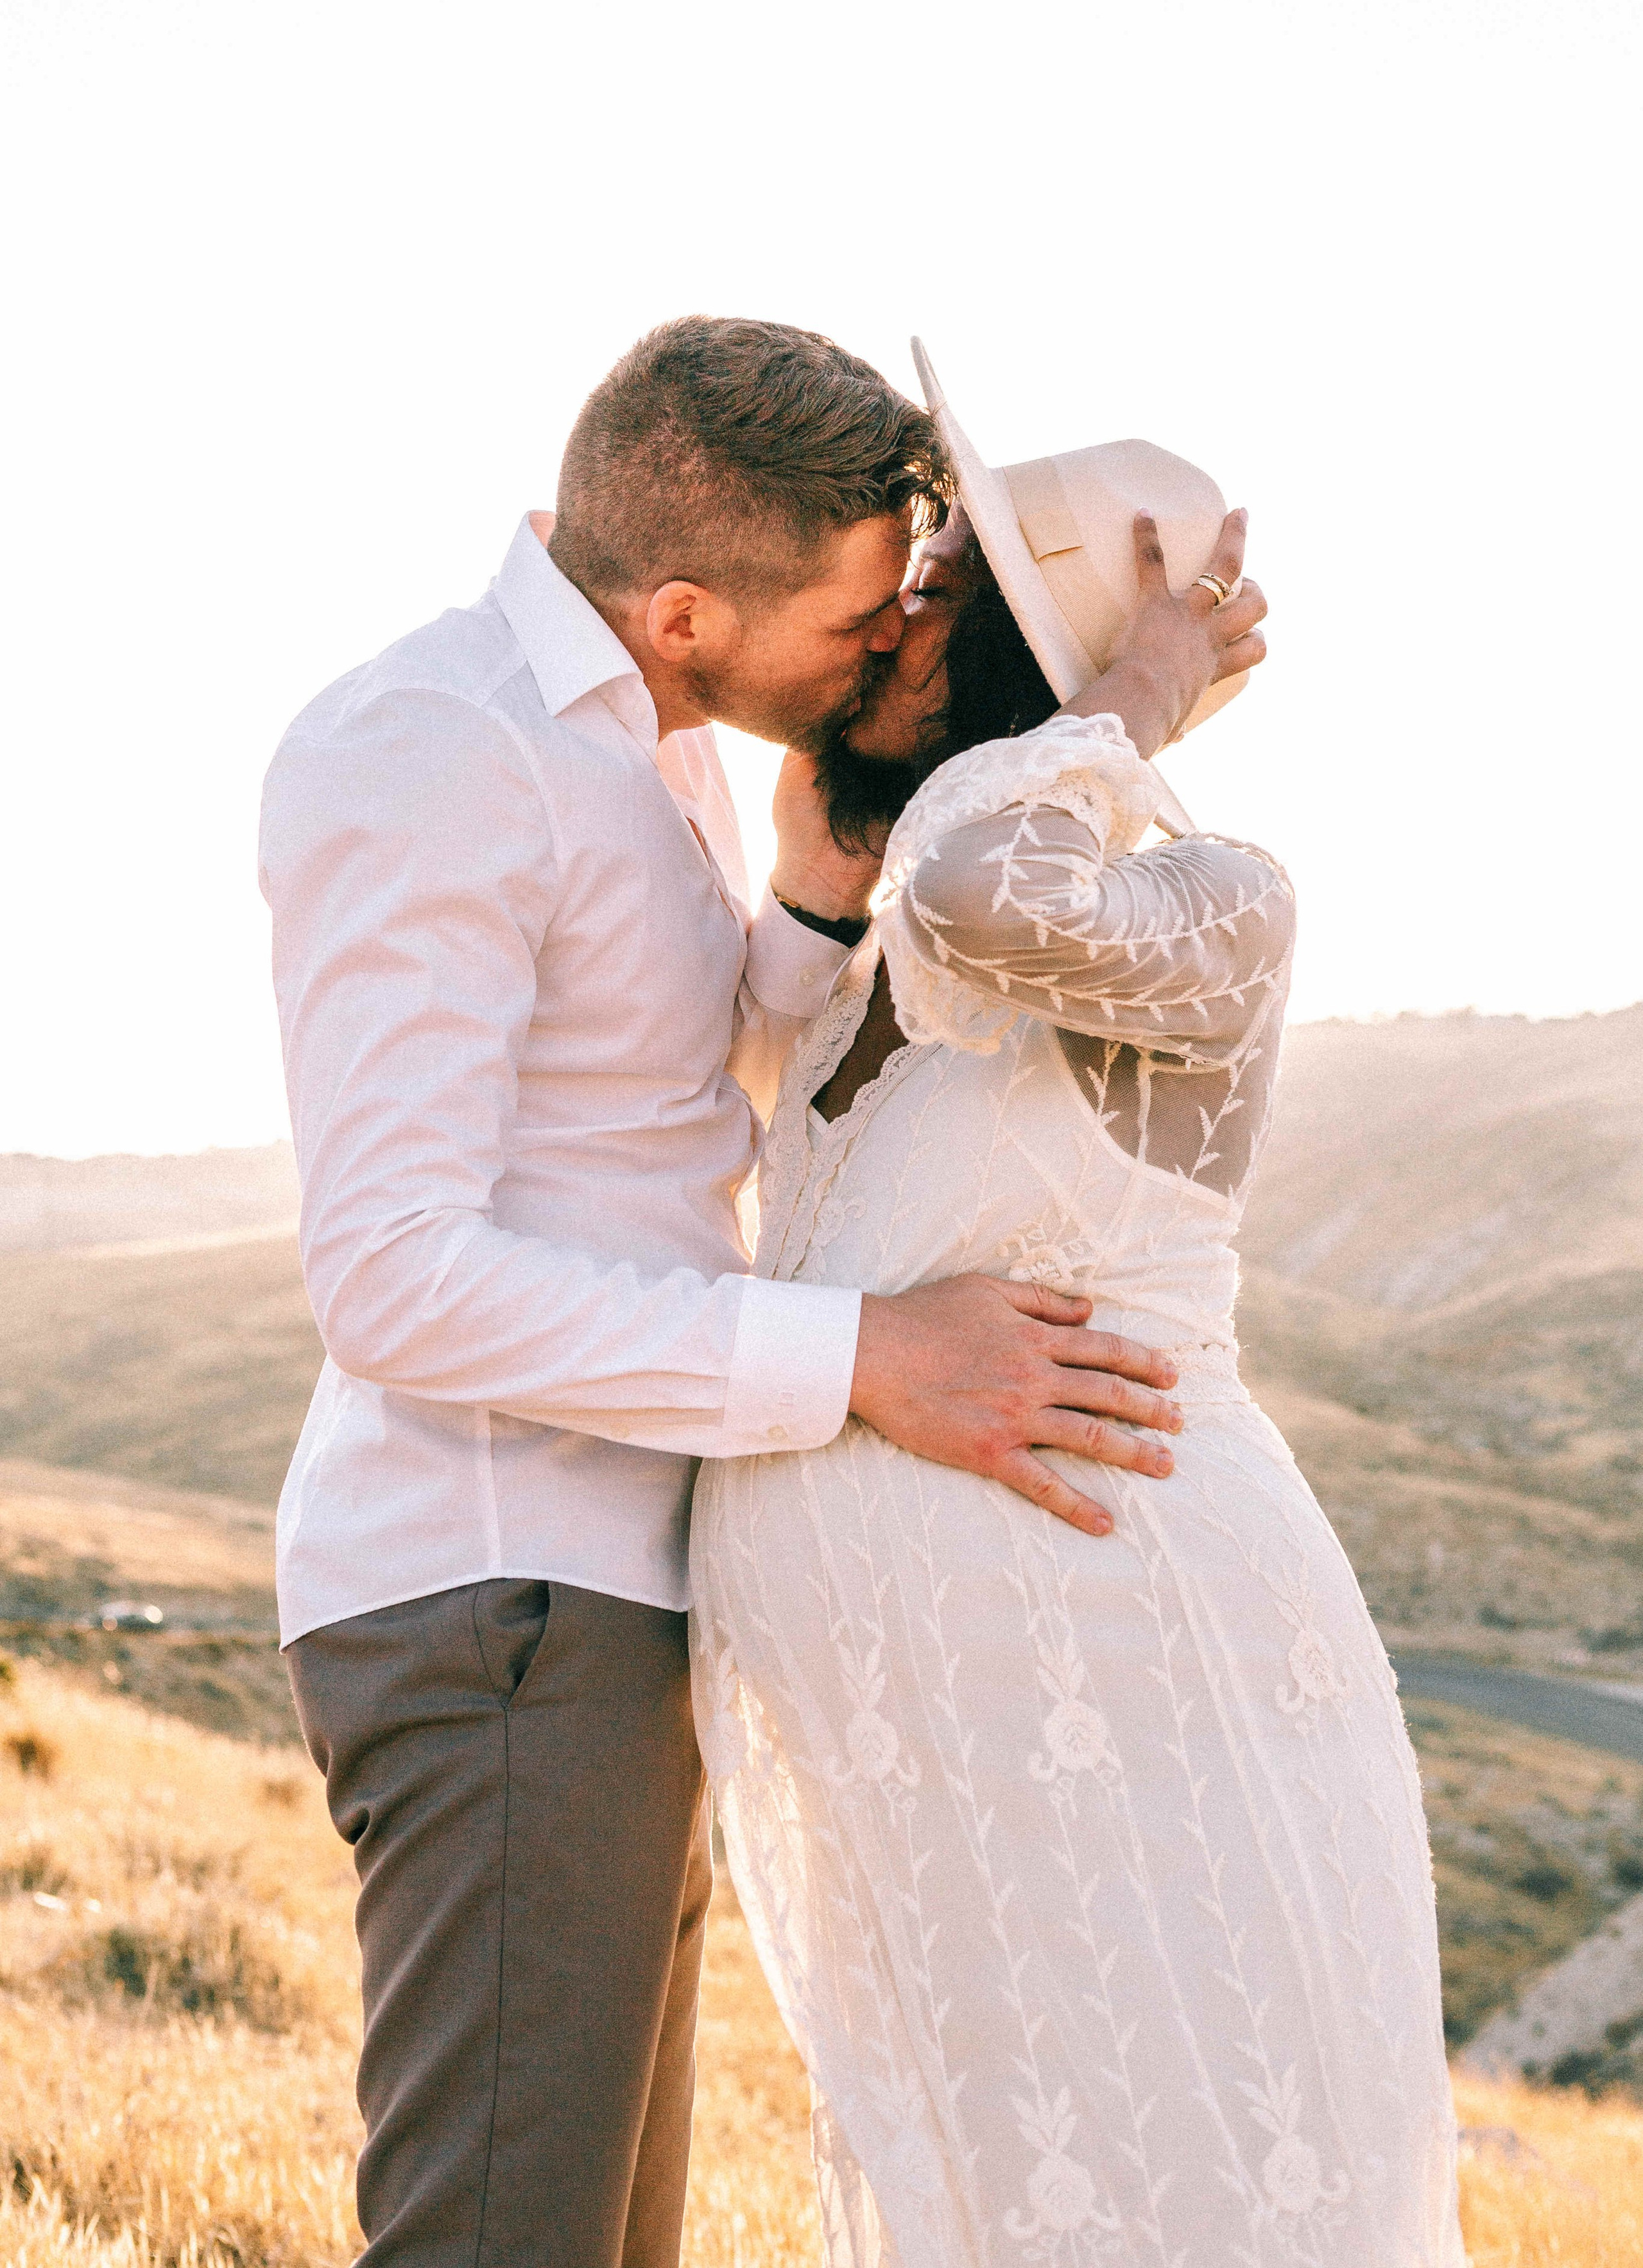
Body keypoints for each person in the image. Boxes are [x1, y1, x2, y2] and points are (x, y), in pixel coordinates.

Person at [258, 317, 1183, 2268]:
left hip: (602, 1591)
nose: (884, 649)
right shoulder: (432, 748)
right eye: (857, 623)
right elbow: (395, 1279)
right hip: (498, 1592)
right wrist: (860, 1361)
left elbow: (661, 1100)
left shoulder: (642, 744)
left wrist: (815, 882)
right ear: (682, 610)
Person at [691, 360, 1464, 2264]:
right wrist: (806, 867)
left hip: (1157, 1721)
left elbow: (973, 876)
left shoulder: (1209, 905)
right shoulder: (882, 957)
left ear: (1031, 691)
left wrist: (1128, 702)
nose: (882, 624)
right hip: (948, 1792)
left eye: (933, 603)